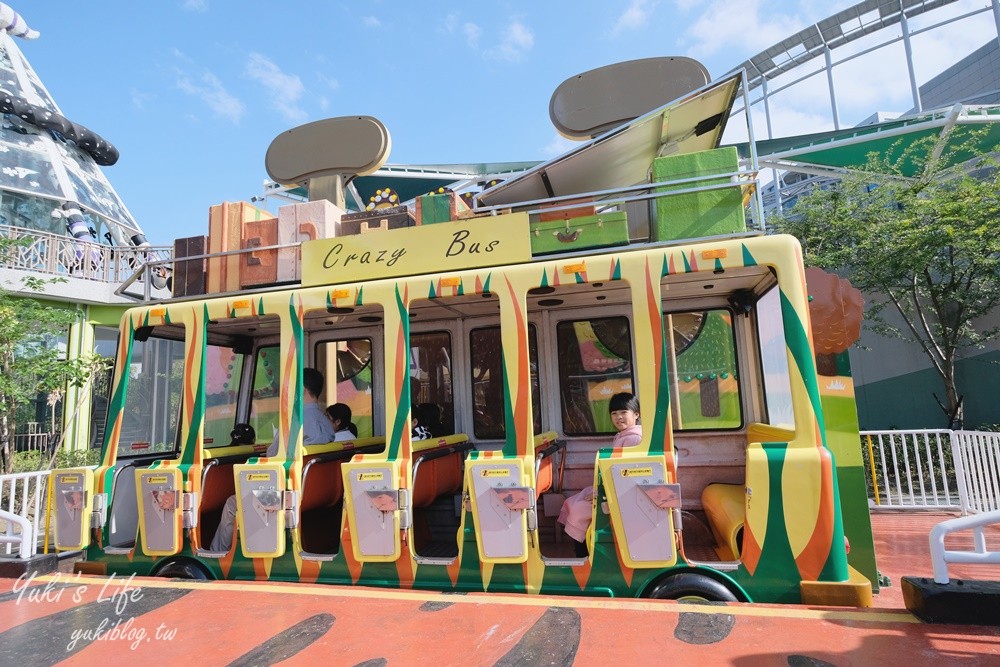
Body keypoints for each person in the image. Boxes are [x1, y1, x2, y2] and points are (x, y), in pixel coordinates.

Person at [210, 368, 336, 552]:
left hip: (285, 495)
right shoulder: (324, 420)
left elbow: (273, 456)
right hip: (314, 492)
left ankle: (219, 553)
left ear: (300, 389)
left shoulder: (297, 421)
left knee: (232, 503)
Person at [558, 392, 641, 557]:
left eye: (624, 412)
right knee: (575, 500)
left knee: (578, 509)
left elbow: (627, 476)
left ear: (636, 414)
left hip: (623, 495)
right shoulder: (624, 436)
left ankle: (583, 555)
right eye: (614, 413)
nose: (618, 417)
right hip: (615, 489)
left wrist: (601, 494)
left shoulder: (633, 439)